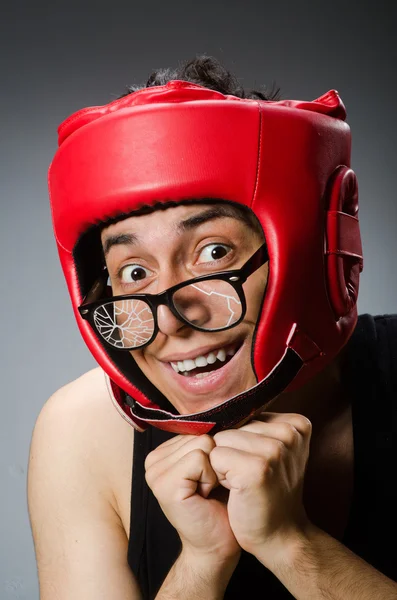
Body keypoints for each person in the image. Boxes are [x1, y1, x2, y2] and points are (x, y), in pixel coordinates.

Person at [27, 56, 397, 599]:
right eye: (134, 273)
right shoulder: (83, 431)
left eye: (213, 253)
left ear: (302, 251)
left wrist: (291, 543)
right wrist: (202, 561)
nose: (174, 320)